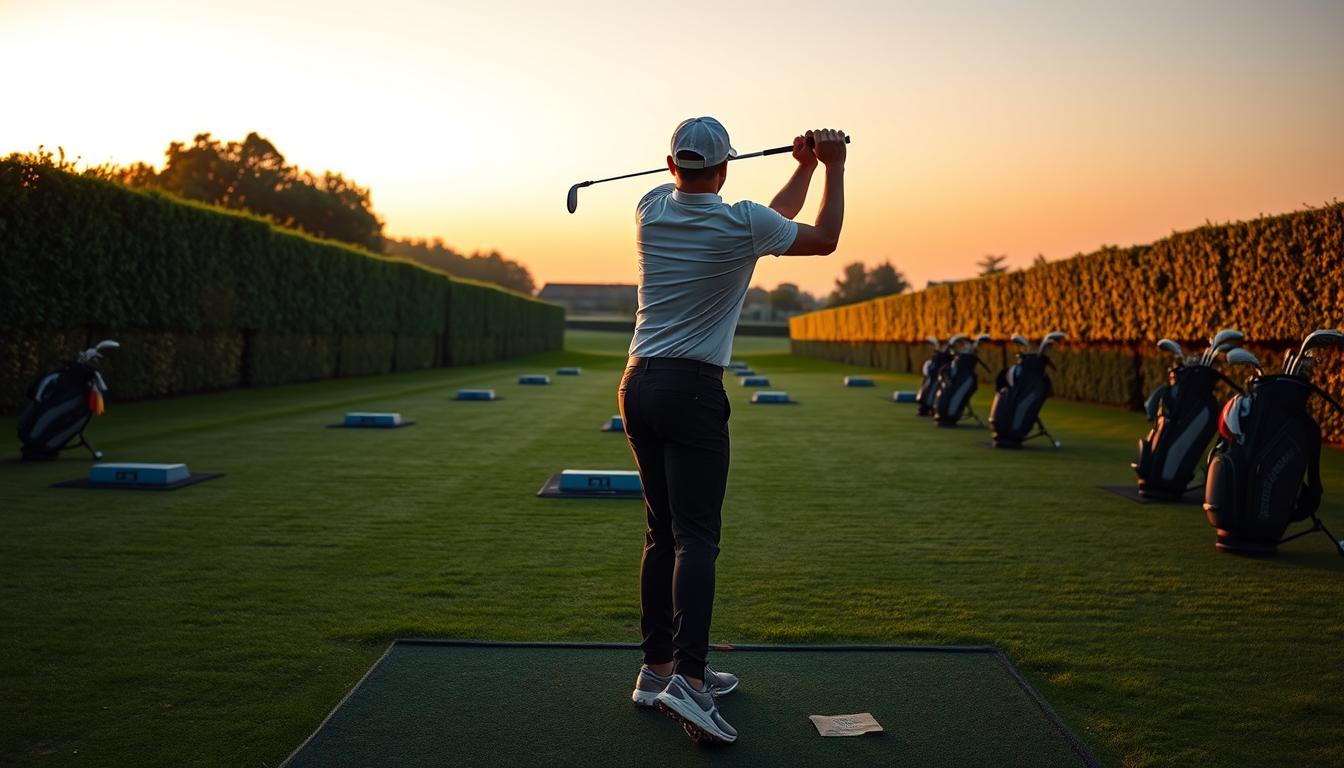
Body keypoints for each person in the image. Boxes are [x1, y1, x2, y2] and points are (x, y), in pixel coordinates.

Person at [620, 116, 847, 744]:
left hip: (638, 382)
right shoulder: (741, 221)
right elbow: (820, 238)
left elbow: (766, 223)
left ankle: (655, 669)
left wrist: (801, 168)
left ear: (671, 167)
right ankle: (688, 684)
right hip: (692, 389)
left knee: (662, 531)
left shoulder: (649, 207)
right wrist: (832, 165)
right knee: (697, 538)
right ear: (724, 169)